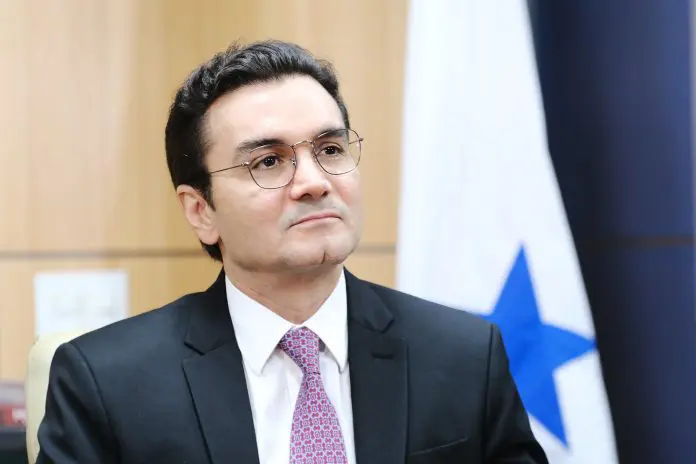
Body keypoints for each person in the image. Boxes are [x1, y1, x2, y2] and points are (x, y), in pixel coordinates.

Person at [36, 40, 548, 464]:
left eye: (330, 150)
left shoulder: (463, 357)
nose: (314, 182)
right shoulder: (107, 383)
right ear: (200, 210)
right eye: (268, 161)